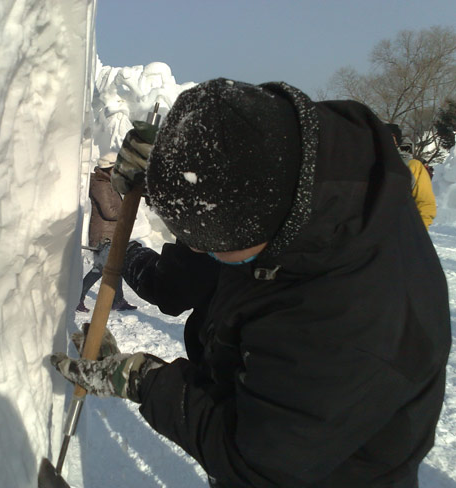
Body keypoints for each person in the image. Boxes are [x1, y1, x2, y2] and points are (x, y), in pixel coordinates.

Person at [52, 79, 450, 487]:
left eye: (210, 245)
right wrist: (166, 172)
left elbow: (250, 461)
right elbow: (229, 180)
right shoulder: (299, 168)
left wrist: (143, 379)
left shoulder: (351, 327)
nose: (196, 251)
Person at [76, 152, 136, 313]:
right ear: (109, 168)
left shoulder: (108, 182)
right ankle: (77, 298)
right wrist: (127, 214)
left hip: (111, 234)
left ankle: (117, 300)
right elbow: (108, 212)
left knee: (114, 266)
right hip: (103, 236)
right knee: (101, 269)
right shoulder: (100, 185)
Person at [385, 123, 437, 229]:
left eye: (390, 137)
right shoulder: (364, 165)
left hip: (401, 233)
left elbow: (425, 203)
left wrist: (418, 231)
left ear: (397, 142)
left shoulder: (413, 166)